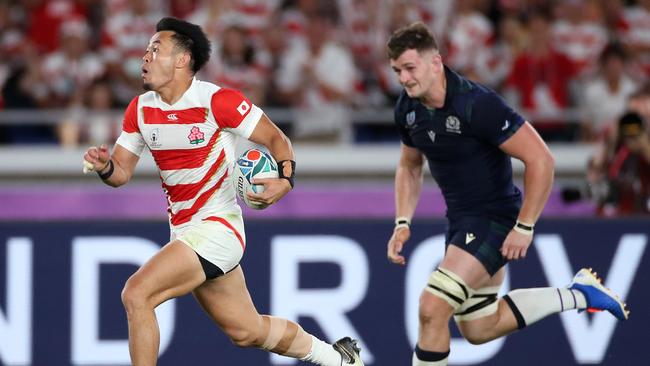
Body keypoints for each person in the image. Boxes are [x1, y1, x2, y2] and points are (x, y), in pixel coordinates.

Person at [82, 17, 363, 366]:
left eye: (156, 50)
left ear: (182, 60)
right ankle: (338, 359)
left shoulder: (217, 101)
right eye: (146, 50)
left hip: (218, 227)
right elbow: (121, 172)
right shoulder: (140, 110)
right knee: (246, 331)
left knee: (137, 293)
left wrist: (285, 179)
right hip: (184, 232)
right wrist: (105, 166)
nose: (145, 57)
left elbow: (276, 138)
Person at [385, 22, 629, 366]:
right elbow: (410, 166)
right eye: (397, 71)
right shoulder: (407, 110)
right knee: (480, 327)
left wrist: (524, 226)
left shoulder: (477, 103)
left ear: (435, 62)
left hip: (495, 220)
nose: (404, 78)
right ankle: (578, 295)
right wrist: (402, 221)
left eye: (410, 68)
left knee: (432, 308)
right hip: (460, 223)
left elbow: (541, 159)